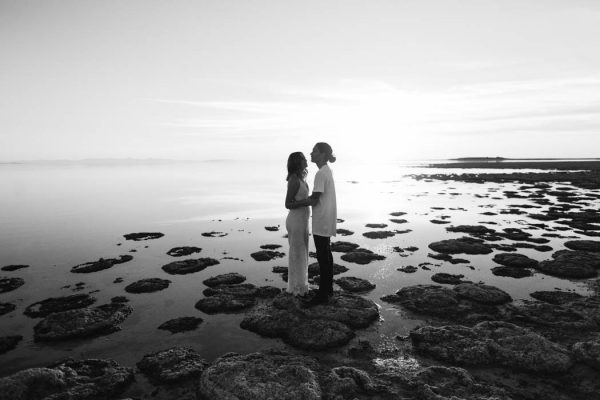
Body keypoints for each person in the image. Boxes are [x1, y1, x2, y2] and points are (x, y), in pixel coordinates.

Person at [304, 142, 337, 306]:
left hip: (322, 220)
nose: (311, 153)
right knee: (327, 255)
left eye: (314, 151)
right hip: (327, 218)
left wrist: (294, 204)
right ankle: (328, 289)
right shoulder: (326, 171)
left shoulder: (320, 174)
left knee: (323, 257)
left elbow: (314, 198)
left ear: (322, 154)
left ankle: (323, 294)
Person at [284, 152, 310, 295]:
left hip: (303, 220)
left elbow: (302, 198)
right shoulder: (294, 179)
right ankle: (296, 288)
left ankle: (301, 285)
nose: (306, 160)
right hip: (296, 220)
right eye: (303, 158)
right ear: (297, 162)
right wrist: (306, 202)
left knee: (303, 251)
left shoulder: (302, 178)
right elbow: (287, 203)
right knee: (297, 252)